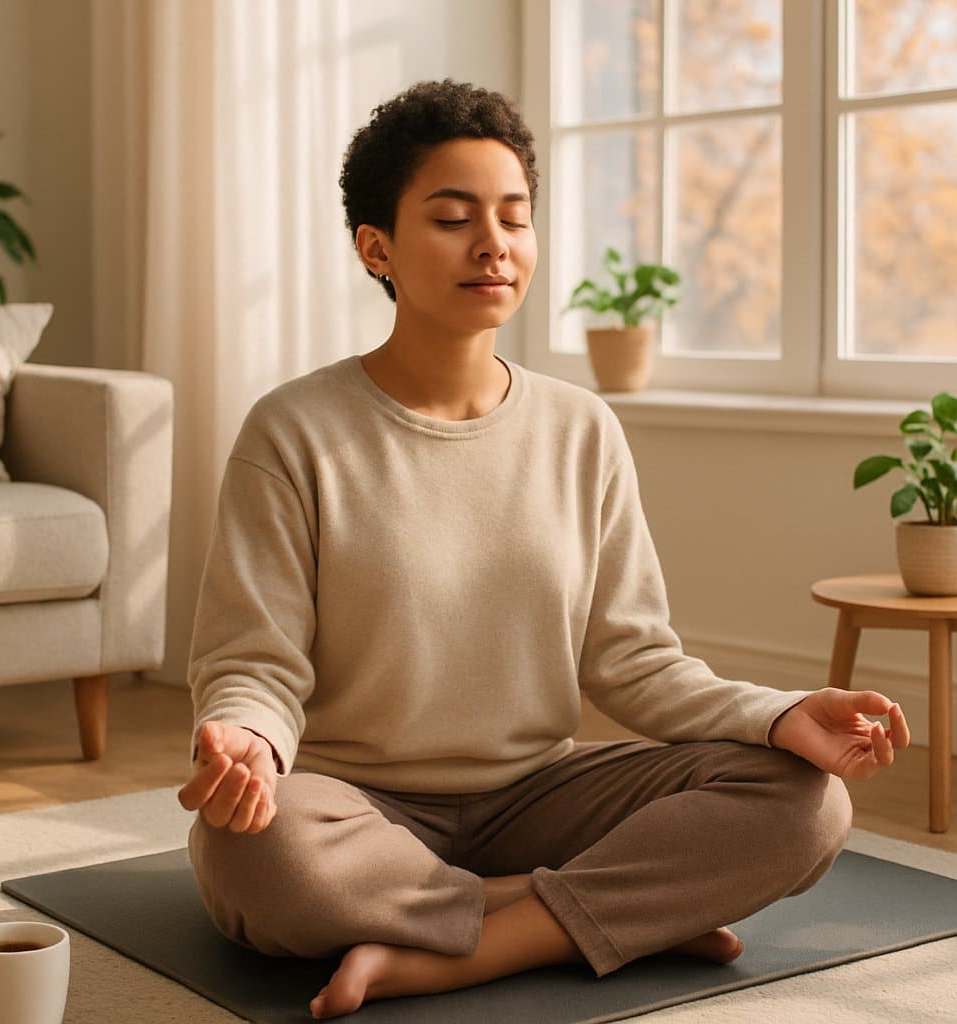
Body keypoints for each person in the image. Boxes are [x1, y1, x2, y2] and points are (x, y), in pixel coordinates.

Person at [177, 78, 911, 1020]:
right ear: (378, 247)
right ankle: (592, 915)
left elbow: (637, 662)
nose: (494, 244)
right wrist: (247, 739)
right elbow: (252, 662)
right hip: (359, 805)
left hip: (541, 798)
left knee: (808, 801)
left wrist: (785, 713)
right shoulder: (293, 432)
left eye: (515, 219)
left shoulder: (582, 428)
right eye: (452, 218)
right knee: (254, 851)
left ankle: (459, 950)